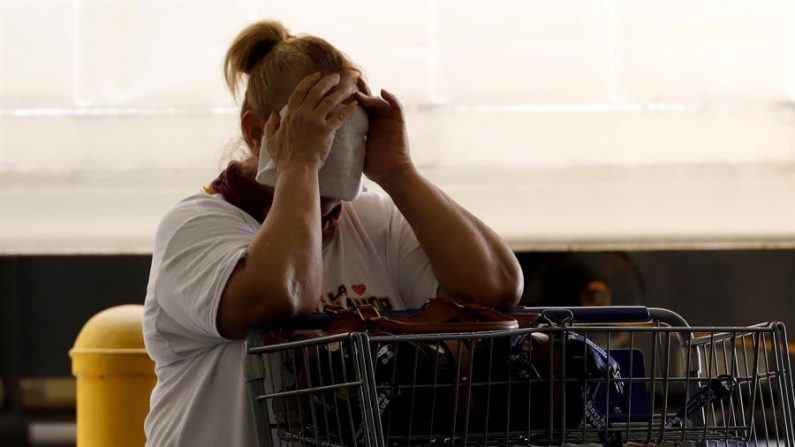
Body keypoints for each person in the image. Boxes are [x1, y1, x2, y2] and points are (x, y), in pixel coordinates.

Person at [143, 20, 523, 446]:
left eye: (350, 122)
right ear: (256, 132)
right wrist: (299, 164)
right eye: (318, 122)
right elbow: (283, 295)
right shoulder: (196, 227)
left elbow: (495, 288)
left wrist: (399, 172)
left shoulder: (375, 219)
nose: (334, 140)